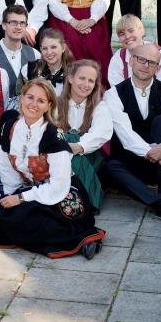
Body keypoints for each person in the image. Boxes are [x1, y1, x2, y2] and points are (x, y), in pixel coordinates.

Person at [0, 79, 106, 259]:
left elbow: (58, 186)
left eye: (41, 101)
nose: (33, 104)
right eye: (30, 97)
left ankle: (84, 240)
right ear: (21, 99)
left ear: (49, 106)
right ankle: (33, 233)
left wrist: (20, 198)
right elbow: (7, 169)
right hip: (29, 189)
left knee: (29, 219)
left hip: (61, 193)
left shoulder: (53, 136)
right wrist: (11, 196)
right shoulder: (8, 128)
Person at [103, 44, 161, 217]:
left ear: (158, 68)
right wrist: (160, 154)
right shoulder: (113, 94)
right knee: (110, 167)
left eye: (151, 63)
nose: (145, 65)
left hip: (158, 169)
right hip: (130, 166)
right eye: (141, 59)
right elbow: (126, 136)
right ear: (131, 60)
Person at [57, 60, 113, 213]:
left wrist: (79, 146)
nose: (86, 84)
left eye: (91, 81)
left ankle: (79, 198)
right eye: (82, 78)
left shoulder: (99, 106)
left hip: (90, 155)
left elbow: (101, 132)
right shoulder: (57, 103)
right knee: (67, 139)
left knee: (73, 139)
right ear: (70, 78)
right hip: (60, 155)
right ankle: (87, 199)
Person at [107, 14, 161, 90]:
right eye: (122, 34)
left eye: (131, 31)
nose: (127, 37)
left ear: (141, 30)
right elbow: (117, 91)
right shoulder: (118, 58)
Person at [0, 5, 39, 105]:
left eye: (22, 23)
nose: (18, 27)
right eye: (13, 23)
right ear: (3, 25)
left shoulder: (35, 54)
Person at [25, 28, 72, 94]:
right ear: (41, 50)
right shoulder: (29, 69)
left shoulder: (74, 72)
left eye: (53, 47)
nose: (49, 52)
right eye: (45, 48)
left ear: (63, 48)